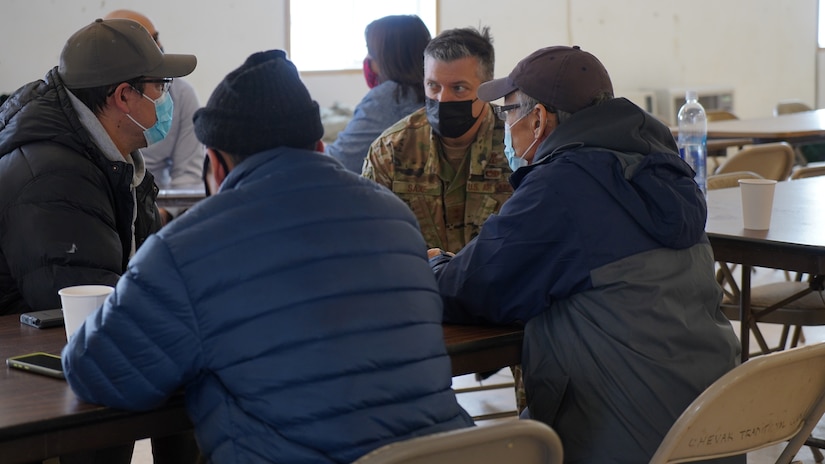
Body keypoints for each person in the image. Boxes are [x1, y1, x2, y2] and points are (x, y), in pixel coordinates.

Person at [61, 49, 474, 464]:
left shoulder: (188, 246)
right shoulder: (395, 217)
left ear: (217, 166)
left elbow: (97, 371)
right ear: (318, 146)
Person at [429, 46, 742, 464]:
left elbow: (468, 289)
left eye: (508, 114)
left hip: (622, 442)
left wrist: (432, 263)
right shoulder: (663, 169)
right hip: (714, 435)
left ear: (538, 119)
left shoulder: (562, 187)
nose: (504, 128)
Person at [0, 17, 196, 464]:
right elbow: (82, 301)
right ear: (124, 95)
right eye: (159, 87)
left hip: (67, 353)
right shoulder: (53, 172)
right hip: (33, 369)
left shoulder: (110, 153)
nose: (166, 100)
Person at [362, 26, 513, 252]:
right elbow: (369, 237)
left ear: (487, 88)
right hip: (418, 282)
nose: (443, 99)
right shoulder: (390, 151)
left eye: (459, 88)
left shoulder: (518, 146)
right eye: (433, 86)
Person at [105, 9, 204, 222]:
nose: (158, 50)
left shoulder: (182, 95)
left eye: (156, 39)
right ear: (123, 96)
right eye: (159, 87)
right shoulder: (96, 112)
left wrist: (158, 218)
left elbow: (189, 175)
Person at [325, 14, 431, 173]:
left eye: (370, 50)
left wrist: (321, 149)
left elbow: (340, 161)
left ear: (385, 57)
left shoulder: (389, 97)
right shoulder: (434, 90)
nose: (367, 59)